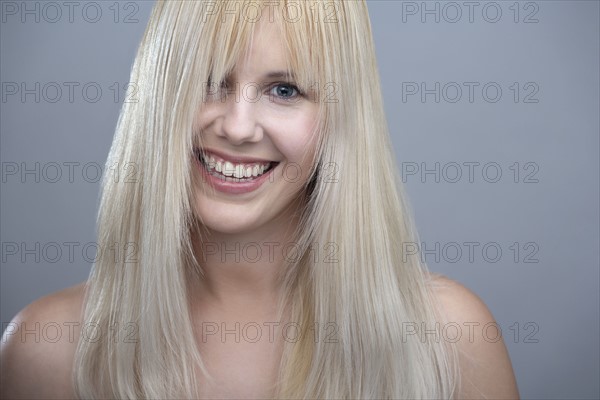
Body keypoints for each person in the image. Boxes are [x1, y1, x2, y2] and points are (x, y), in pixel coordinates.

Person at [0, 1, 519, 398]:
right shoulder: (46, 348)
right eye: (207, 81)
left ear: (338, 120)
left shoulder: (450, 338)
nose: (238, 126)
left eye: (285, 90)